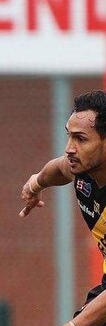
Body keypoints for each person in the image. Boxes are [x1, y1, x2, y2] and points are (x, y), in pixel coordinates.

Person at [20, 90, 106, 326]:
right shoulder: (83, 169)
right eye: (69, 136)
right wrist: (35, 184)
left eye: (81, 139)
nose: (69, 148)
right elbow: (58, 169)